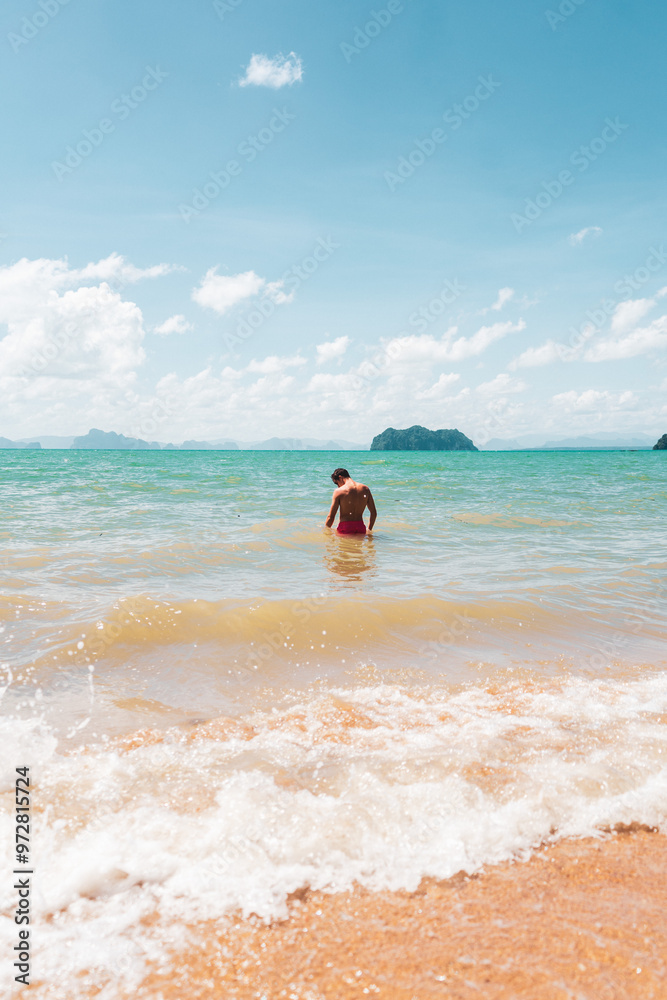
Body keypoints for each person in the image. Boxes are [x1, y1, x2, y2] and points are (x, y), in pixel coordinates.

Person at [325, 468, 377, 535]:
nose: (338, 486)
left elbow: (331, 517)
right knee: (358, 545)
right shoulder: (365, 489)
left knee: (344, 545)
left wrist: (325, 532)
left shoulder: (339, 491)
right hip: (361, 527)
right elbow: (373, 513)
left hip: (345, 528)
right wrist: (369, 530)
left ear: (340, 477)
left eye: (337, 483)